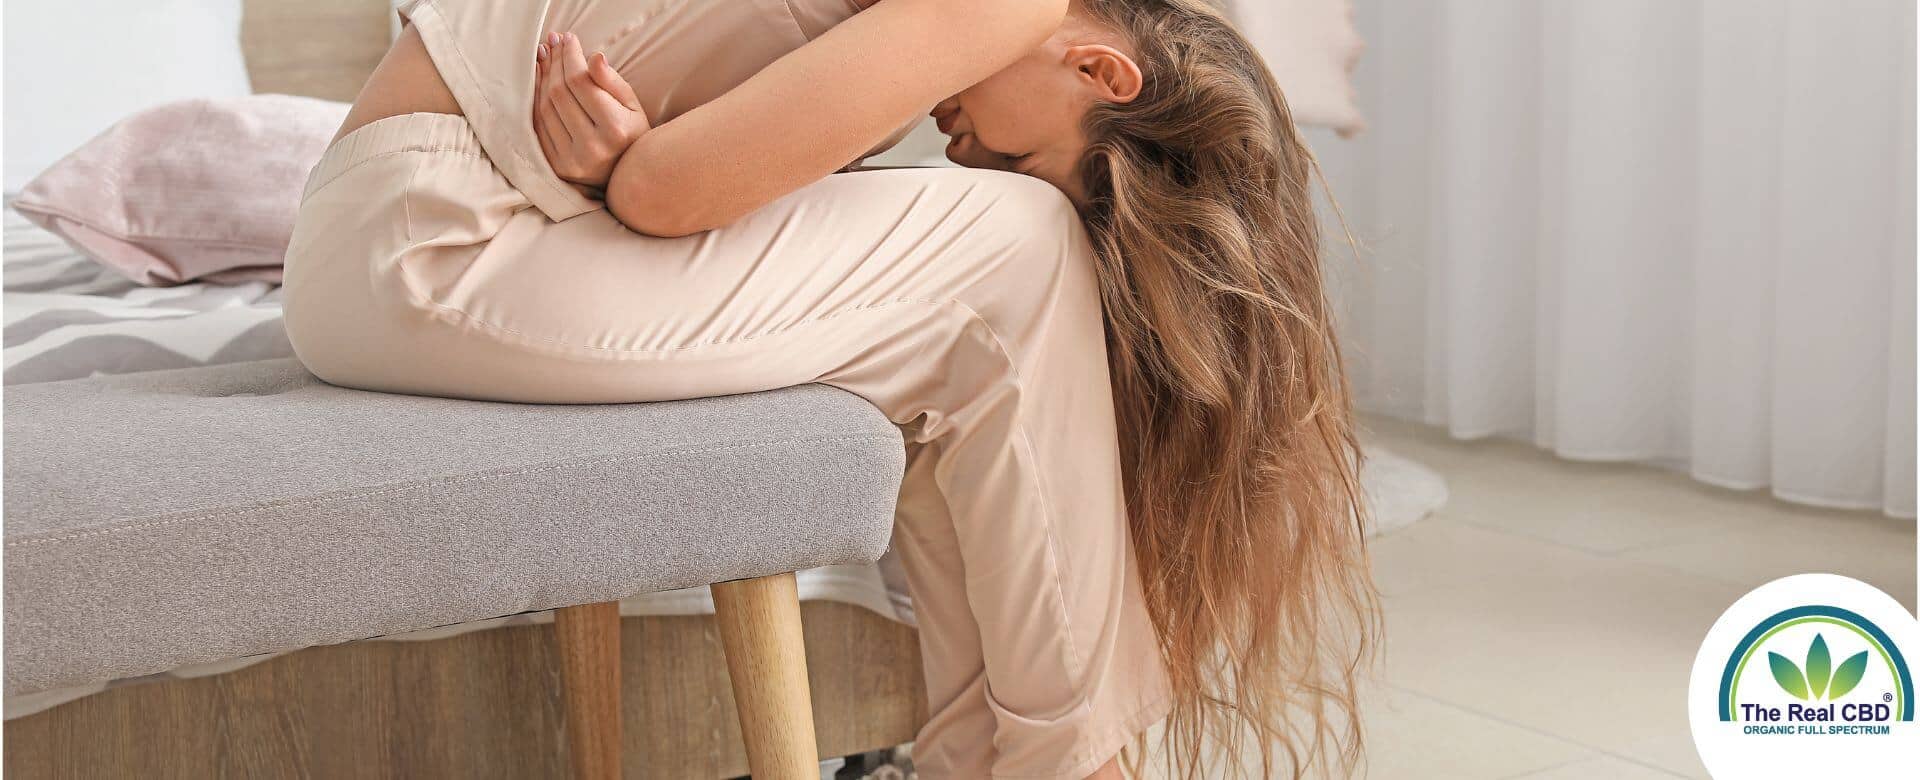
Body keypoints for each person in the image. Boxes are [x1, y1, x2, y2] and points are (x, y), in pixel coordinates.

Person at [282, 0, 1379, 776]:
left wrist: (646, 165)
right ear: (1099, 72)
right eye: (1027, 155)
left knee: (953, 349)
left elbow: (675, 176)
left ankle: (979, 765)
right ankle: (1074, 769)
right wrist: (643, 166)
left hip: (419, 243)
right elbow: (665, 194)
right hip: (440, 243)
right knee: (1021, 248)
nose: (972, 163)